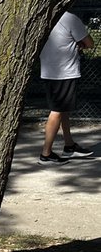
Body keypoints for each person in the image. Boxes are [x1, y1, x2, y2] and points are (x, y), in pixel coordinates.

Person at [39, 9, 95, 164]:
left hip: (48, 71)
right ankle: (46, 154)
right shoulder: (69, 18)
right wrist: (79, 44)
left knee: (63, 110)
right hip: (64, 72)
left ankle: (69, 145)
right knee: (57, 111)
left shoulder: (44, 16)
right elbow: (90, 43)